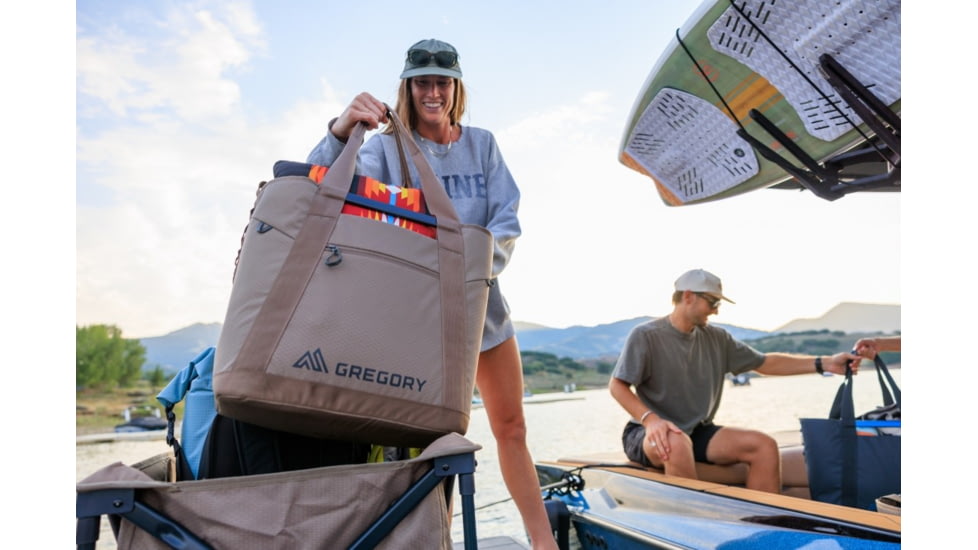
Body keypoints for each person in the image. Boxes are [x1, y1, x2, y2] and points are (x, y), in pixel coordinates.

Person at [307, 39, 558, 549]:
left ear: (456, 86)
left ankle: (542, 542)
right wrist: (339, 130)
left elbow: (505, 223)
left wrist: (470, 279)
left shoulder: (483, 145)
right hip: (412, 320)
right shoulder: (383, 148)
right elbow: (320, 187)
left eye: (442, 81)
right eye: (422, 80)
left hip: (482, 308)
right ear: (408, 86)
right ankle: (432, 539)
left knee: (511, 426)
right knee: (429, 442)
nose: (433, 91)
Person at [608, 268, 862, 493]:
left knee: (762, 445)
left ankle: (763, 528)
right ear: (688, 296)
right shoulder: (645, 335)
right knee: (675, 442)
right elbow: (617, 385)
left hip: (696, 432)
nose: (716, 310)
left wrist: (825, 363)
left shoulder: (717, 338)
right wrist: (650, 420)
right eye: (712, 302)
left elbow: (765, 363)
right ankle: (694, 530)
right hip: (646, 432)